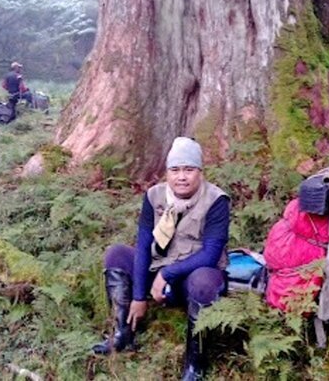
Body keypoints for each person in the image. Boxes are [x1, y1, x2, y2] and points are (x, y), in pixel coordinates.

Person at [92, 137, 230, 381]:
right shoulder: (154, 196)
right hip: (159, 265)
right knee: (116, 254)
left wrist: (167, 275)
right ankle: (123, 333)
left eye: (189, 169)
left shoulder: (216, 201)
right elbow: (144, 243)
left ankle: (194, 364)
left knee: (205, 281)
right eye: (175, 170)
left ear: (200, 172)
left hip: (191, 274)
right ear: (167, 172)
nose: (182, 177)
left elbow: (210, 255)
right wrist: (138, 295)